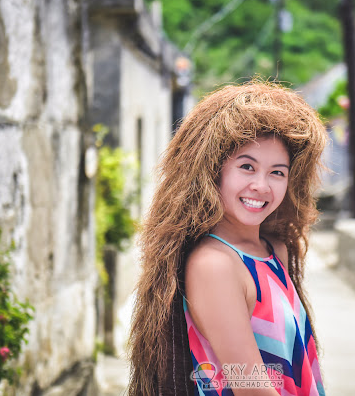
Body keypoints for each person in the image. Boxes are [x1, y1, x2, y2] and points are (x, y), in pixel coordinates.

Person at [127, 81, 327, 395]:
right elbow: (249, 385)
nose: (262, 185)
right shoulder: (214, 264)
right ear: (213, 170)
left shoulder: (275, 251)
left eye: (278, 172)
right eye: (247, 167)